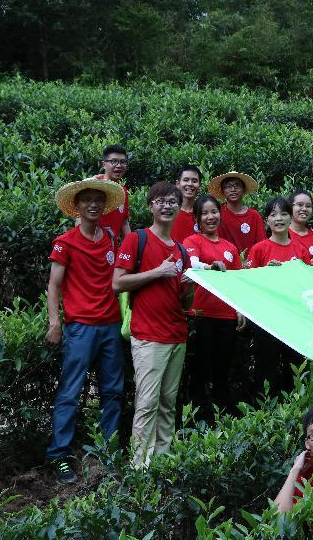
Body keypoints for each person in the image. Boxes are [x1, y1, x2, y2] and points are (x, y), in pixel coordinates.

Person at [45, 177, 126, 484]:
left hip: (110, 324)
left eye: (98, 200)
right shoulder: (65, 242)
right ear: (76, 206)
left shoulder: (110, 237)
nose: (93, 204)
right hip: (80, 327)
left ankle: (107, 452)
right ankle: (59, 455)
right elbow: (54, 285)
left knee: (113, 392)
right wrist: (55, 323)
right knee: (70, 391)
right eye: (87, 200)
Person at [113, 182, 194, 468]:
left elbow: (185, 303)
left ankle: (162, 461)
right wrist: (157, 272)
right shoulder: (137, 239)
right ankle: (139, 466)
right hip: (148, 336)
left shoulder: (182, 251)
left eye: (172, 201)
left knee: (168, 403)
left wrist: (189, 286)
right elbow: (118, 283)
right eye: (161, 201)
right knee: (147, 403)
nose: (167, 206)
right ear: (150, 207)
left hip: (177, 335)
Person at [247, 197, 313, 393]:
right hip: (267, 319)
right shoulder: (259, 249)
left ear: (291, 218)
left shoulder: (300, 250)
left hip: (295, 319)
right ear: (267, 220)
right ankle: (267, 407)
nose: (278, 218)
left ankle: (295, 406)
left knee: (295, 367)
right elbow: (248, 285)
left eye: (283, 214)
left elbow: (308, 285)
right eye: (273, 215)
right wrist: (266, 272)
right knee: (266, 368)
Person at [183, 194, 245, 417]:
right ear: (197, 218)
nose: (211, 217)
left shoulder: (230, 247)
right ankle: (199, 417)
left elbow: (238, 282)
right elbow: (191, 265)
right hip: (201, 315)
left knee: (222, 369)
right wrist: (210, 267)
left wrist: (240, 309)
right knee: (200, 370)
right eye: (205, 213)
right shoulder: (192, 241)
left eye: (214, 212)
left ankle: (223, 417)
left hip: (227, 317)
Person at [208, 171, 267, 258]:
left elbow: (262, 245)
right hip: (223, 262)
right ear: (222, 191)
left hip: (250, 264)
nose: (233, 189)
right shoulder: (217, 213)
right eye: (228, 186)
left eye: (237, 186)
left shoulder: (254, 216)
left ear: (244, 189)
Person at [80, 145, 131, 239]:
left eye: (122, 162)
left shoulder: (123, 191)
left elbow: (124, 223)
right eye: (114, 161)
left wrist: (131, 244)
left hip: (112, 246)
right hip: (93, 245)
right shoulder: (93, 185)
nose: (119, 165)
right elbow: (80, 218)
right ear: (103, 164)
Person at [170, 164, 203, 244]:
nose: (190, 184)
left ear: (200, 186)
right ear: (178, 184)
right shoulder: (168, 212)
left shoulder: (204, 213)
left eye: (194, 181)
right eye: (186, 180)